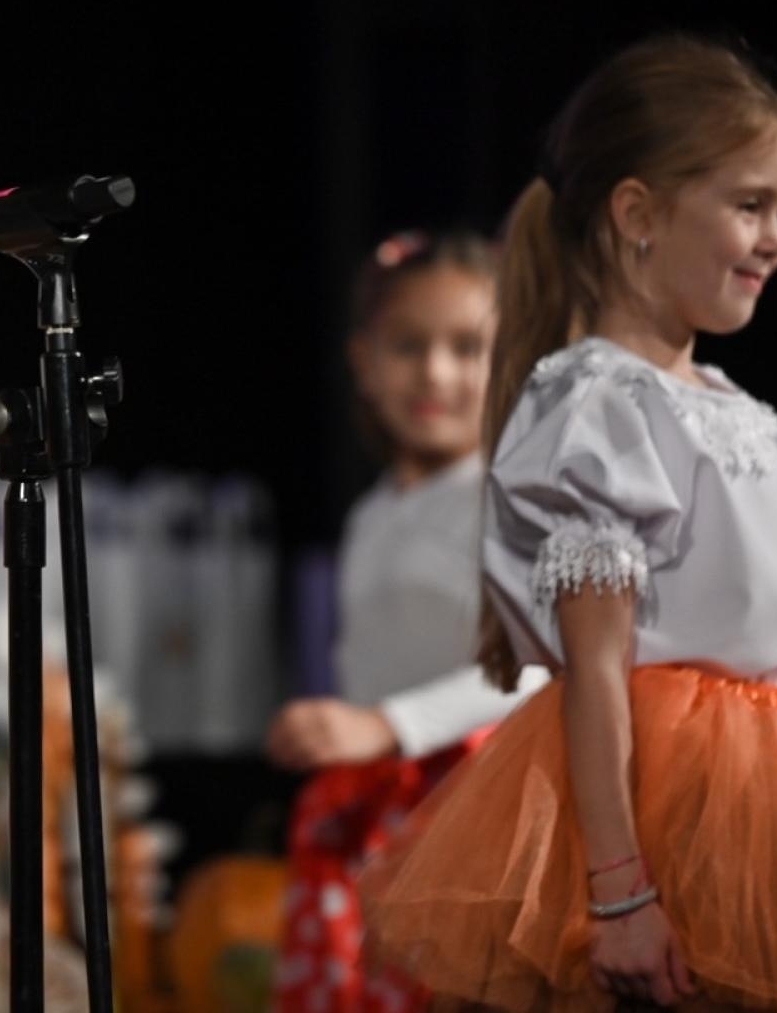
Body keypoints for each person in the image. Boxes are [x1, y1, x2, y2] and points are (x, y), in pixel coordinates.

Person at [359, 34, 777, 1011]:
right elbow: (597, 670)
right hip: (666, 810)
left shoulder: (742, 407)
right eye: (749, 206)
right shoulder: (598, 407)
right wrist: (620, 895)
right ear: (637, 214)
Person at [266, 229, 548, 1012]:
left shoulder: (512, 495)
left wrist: (389, 724)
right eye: (408, 346)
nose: (436, 372)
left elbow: (538, 661)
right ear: (363, 361)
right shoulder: (369, 518)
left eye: (467, 347)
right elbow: (367, 662)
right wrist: (339, 734)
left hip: (480, 812)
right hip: (382, 817)